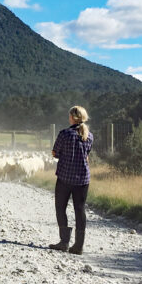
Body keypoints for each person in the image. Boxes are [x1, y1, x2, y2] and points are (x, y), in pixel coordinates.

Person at [48, 105, 93, 254]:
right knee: (80, 209)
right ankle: (78, 246)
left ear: (73, 117)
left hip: (65, 177)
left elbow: (55, 153)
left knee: (61, 208)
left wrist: (62, 155)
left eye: (69, 116)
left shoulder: (64, 134)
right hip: (83, 179)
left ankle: (64, 242)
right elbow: (86, 154)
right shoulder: (89, 136)